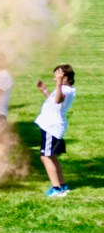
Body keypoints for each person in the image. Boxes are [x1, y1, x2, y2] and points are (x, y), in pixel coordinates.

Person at [35, 64, 77, 197]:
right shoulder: (64, 88)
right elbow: (53, 101)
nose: (55, 80)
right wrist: (45, 91)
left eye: (57, 77)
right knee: (51, 156)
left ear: (66, 78)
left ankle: (57, 189)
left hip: (51, 127)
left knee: (45, 156)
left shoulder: (65, 89)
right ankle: (62, 185)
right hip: (51, 126)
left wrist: (58, 84)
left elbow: (58, 101)